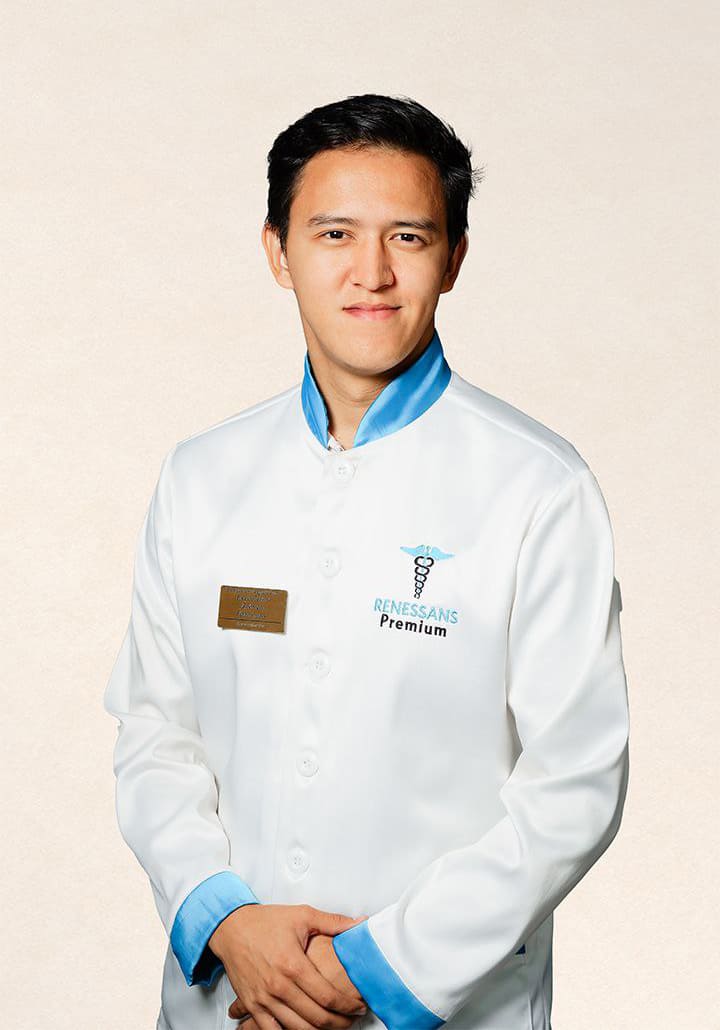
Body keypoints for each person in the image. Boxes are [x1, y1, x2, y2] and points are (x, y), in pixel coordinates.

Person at [103, 93, 630, 1030]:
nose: (372, 272)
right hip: (230, 998)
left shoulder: (538, 488)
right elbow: (156, 733)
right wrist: (228, 923)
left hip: (443, 1005)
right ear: (278, 252)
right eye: (335, 233)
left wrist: (375, 969)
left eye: (409, 237)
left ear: (454, 259)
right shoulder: (202, 476)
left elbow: (573, 784)